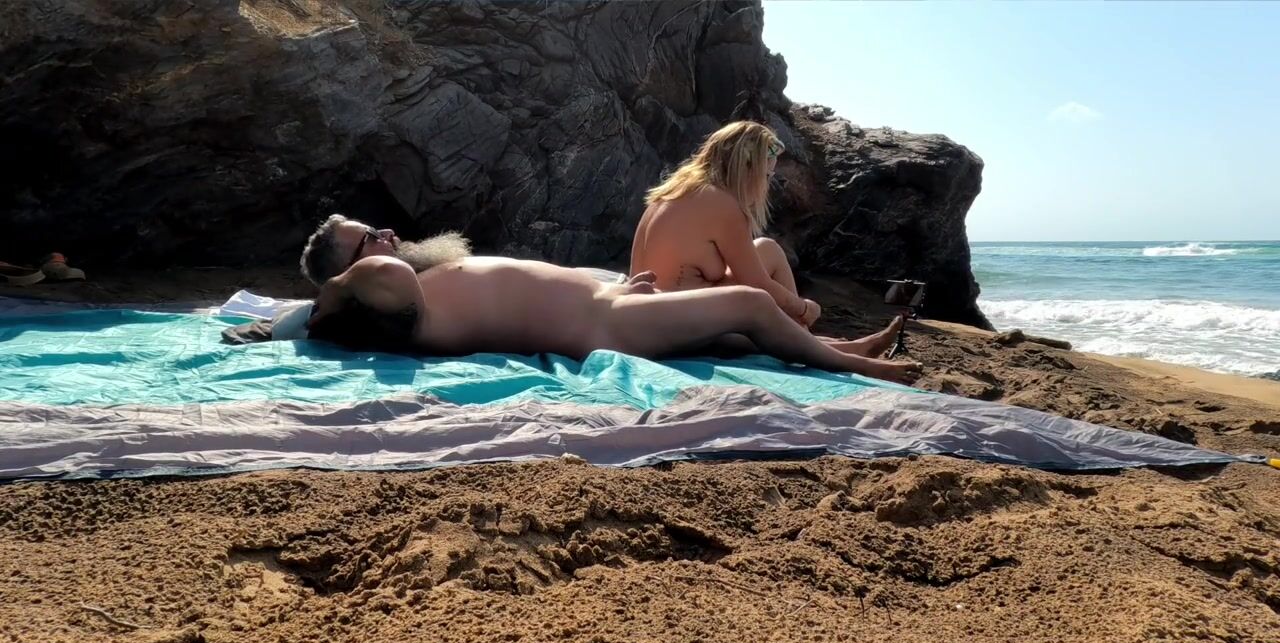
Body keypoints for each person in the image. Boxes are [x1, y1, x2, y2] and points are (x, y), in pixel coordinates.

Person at [298, 216, 924, 383]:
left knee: (730, 337)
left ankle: (843, 344)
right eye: (369, 236)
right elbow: (370, 280)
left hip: (611, 303)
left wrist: (618, 286)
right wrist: (335, 286)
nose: (386, 235)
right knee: (750, 306)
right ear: (352, 276)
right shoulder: (391, 296)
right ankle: (859, 367)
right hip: (606, 324)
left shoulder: (419, 279)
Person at [631, 120, 905, 343]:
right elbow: (756, 283)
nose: (767, 184)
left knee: (766, 248)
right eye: (766, 175)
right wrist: (804, 308)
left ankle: (812, 342)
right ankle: (811, 343)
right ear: (747, 169)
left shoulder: (669, 195)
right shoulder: (722, 204)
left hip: (650, 315)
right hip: (679, 324)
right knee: (769, 287)